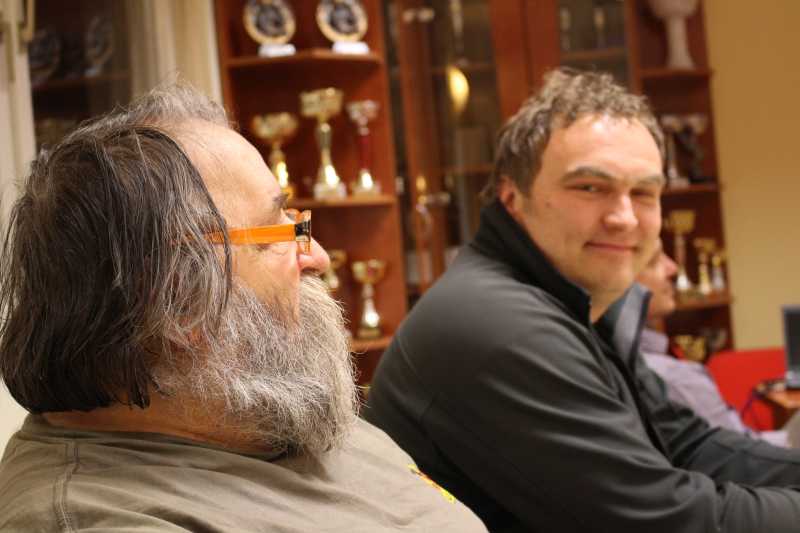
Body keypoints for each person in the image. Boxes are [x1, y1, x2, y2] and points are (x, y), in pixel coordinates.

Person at [0, 85, 486, 532]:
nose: (317, 256)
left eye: (295, 221)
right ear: (180, 299)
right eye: (279, 232)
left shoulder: (263, 412)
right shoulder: (108, 520)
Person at [365, 69, 800, 532]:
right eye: (590, 187)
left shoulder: (568, 300)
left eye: (644, 192)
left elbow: (688, 445)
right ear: (513, 197)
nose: (624, 217)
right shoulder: (500, 324)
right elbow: (667, 522)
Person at [638, 245, 793, 446]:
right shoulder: (675, 376)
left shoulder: (621, 360)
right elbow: (741, 455)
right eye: (653, 260)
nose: (673, 267)